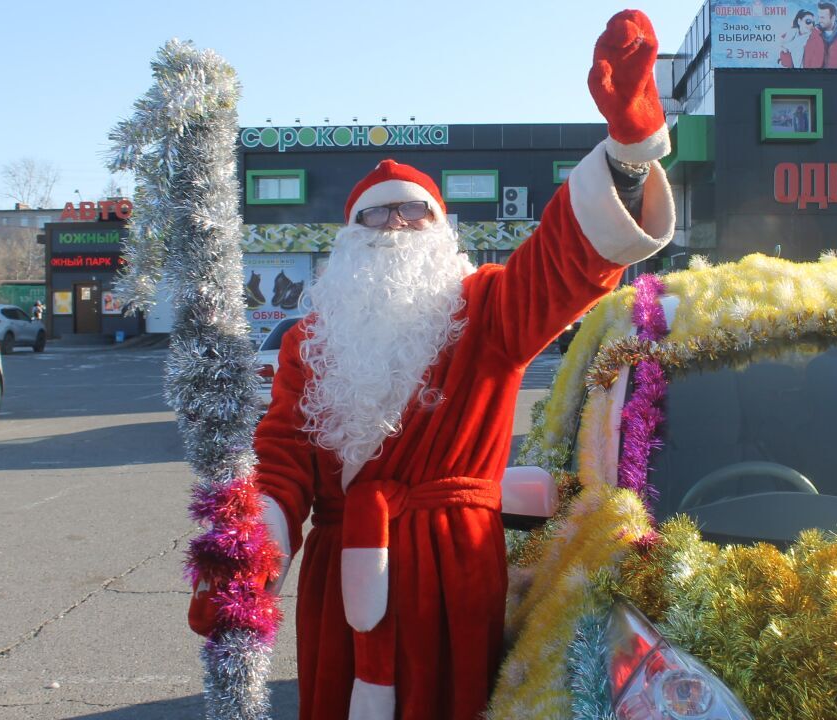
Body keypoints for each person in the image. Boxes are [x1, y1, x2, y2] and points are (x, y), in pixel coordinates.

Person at [189, 9, 677, 720]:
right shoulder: (310, 343)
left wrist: (629, 158)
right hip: (340, 584)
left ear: (442, 232)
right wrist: (247, 554)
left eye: (413, 214)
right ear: (348, 242)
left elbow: (564, 262)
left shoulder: (485, 312)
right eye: (377, 217)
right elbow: (285, 460)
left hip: (450, 573)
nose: (396, 228)